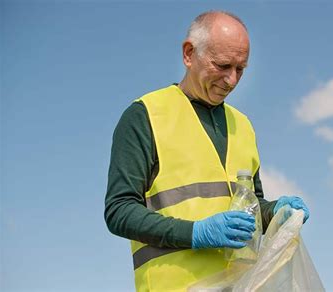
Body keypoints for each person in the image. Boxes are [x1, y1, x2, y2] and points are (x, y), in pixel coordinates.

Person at [104, 10, 310, 292]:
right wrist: (196, 233)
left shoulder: (243, 126)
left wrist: (275, 212)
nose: (232, 80)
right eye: (223, 65)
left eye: (241, 69)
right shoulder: (146, 116)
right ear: (189, 54)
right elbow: (119, 210)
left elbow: (251, 206)